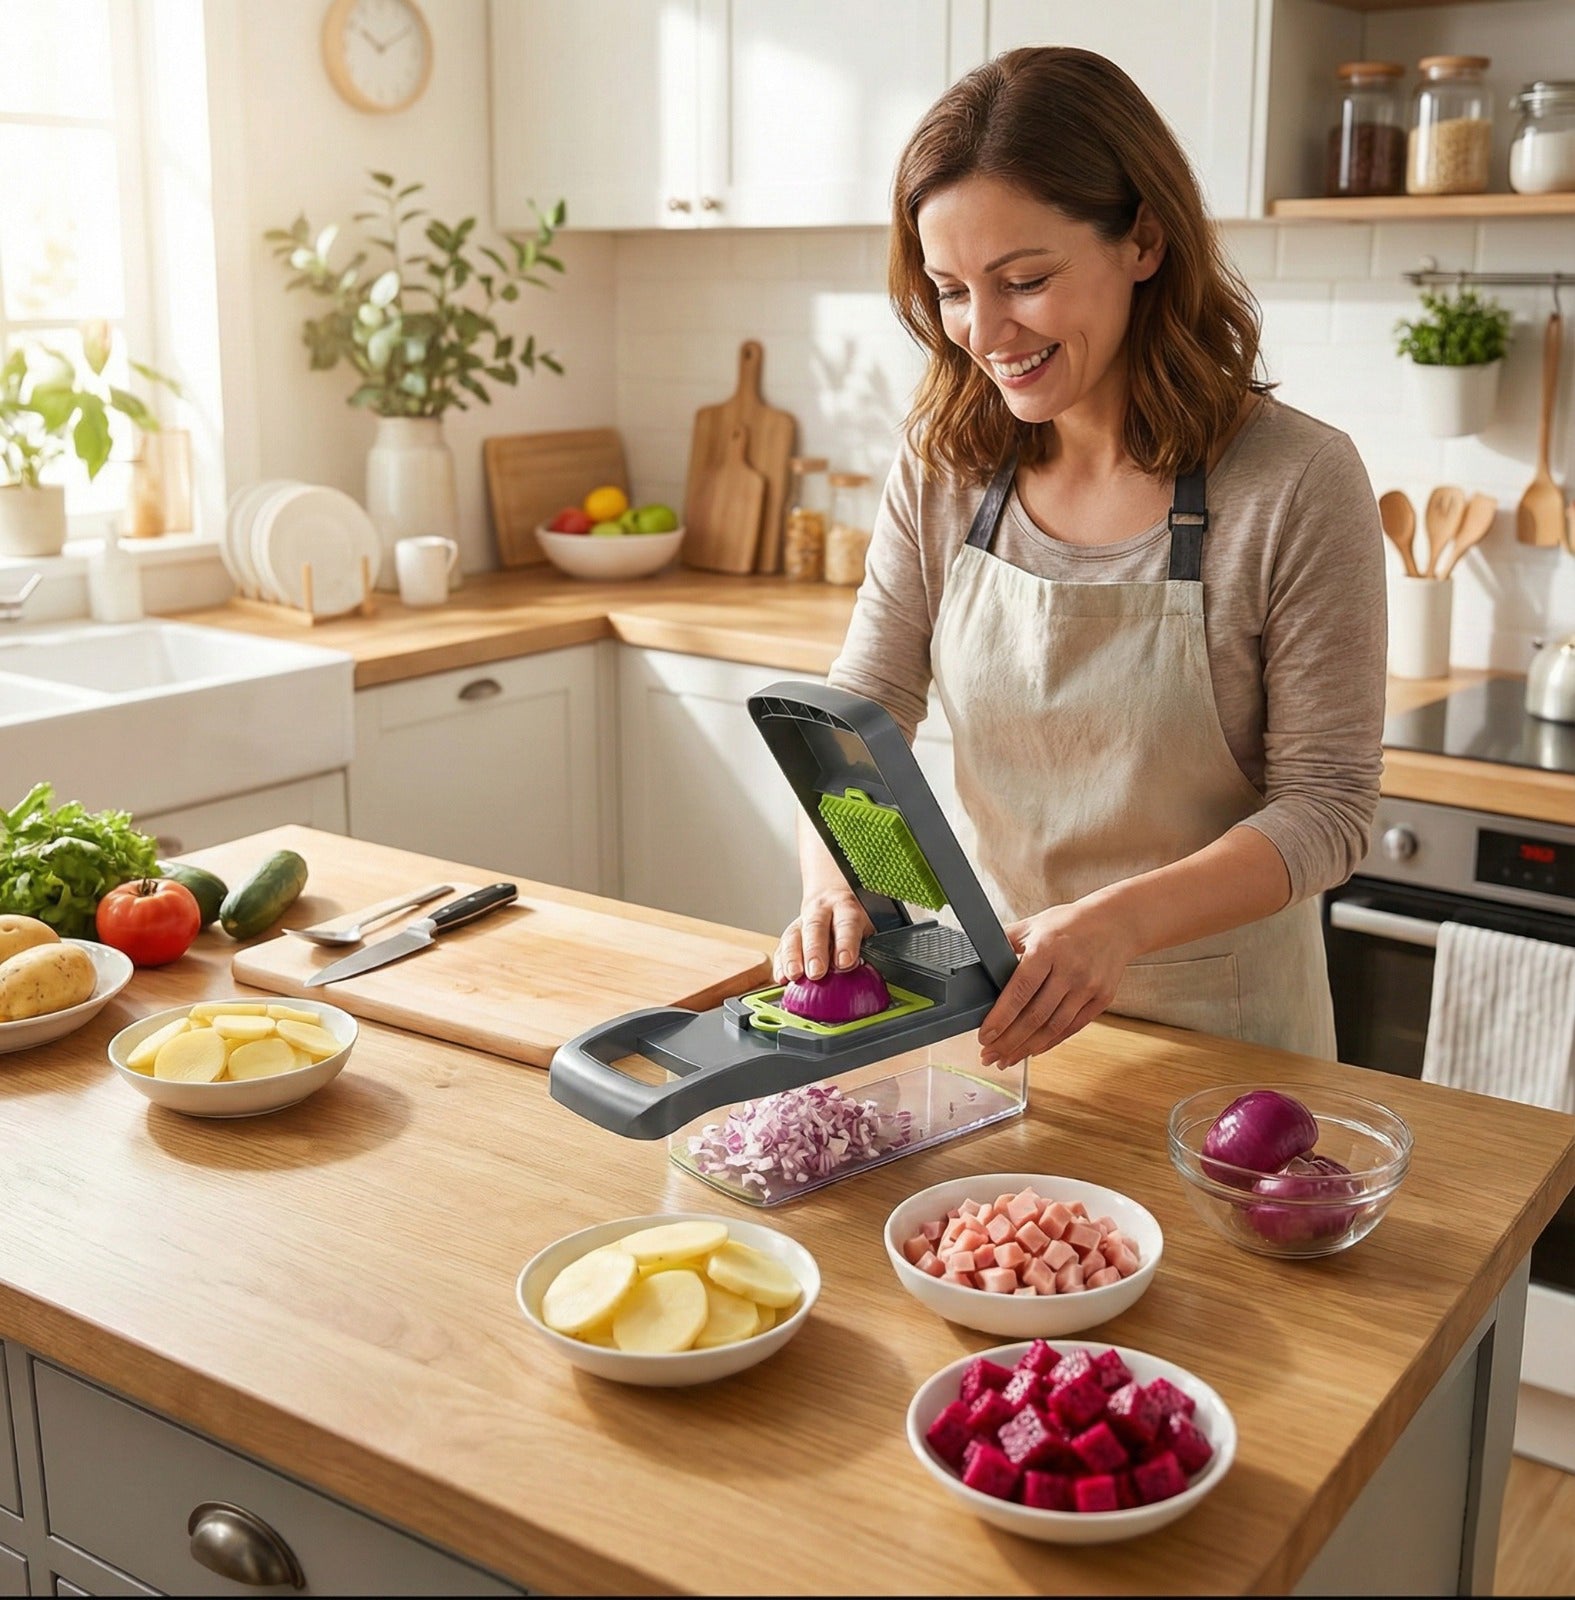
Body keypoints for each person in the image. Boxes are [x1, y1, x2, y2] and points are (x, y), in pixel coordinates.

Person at [774, 46, 1387, 1066]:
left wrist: (1119, 922)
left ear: (1143, 238)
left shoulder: (1294, 481)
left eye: (1024, 280)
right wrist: (836, 880)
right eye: (951, 290)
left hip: (1231, 1041)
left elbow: (1329, 809)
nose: (984, 330)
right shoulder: (948, 466)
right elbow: (858, 714)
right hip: (1005, 1017)